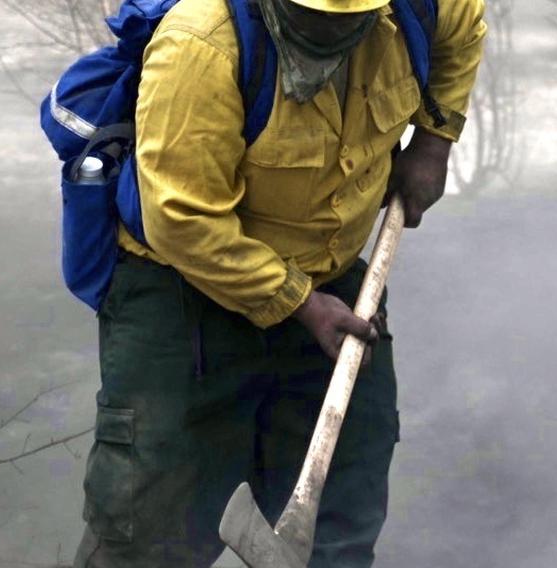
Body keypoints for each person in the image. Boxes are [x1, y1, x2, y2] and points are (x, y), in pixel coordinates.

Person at [73, 0, 486, 565]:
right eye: (313, 15)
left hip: (331, 284)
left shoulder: (419, 7)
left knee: (341, 519)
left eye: (349, 16)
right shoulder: (203, 45)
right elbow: (181, 220)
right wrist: (299, 304)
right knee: (148, 529)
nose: (331, 27)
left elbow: (463, 31)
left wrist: (435, 141)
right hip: (183, 295)